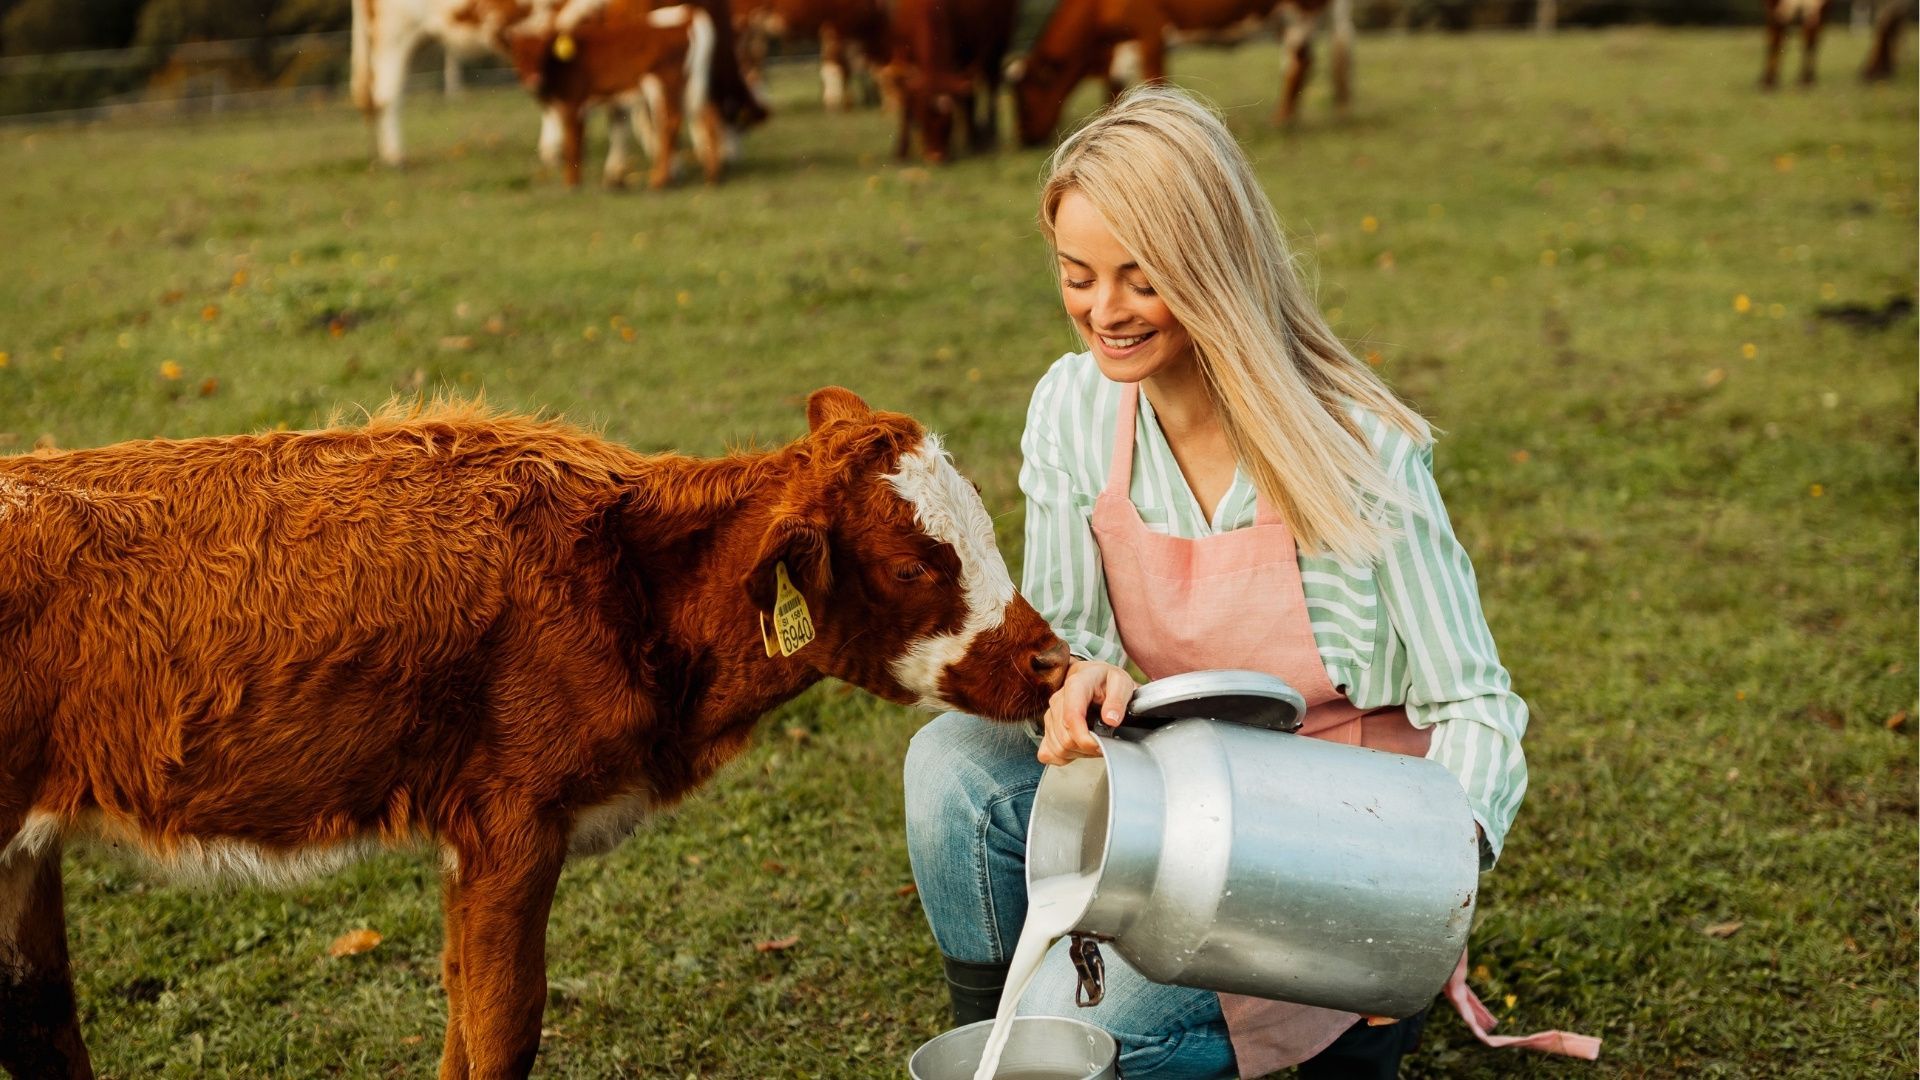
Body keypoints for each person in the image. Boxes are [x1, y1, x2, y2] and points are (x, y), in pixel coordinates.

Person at [902, 85, 1539, 1080]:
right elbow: (1072, 639)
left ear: (1211, 269)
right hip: (1177, 791)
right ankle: (1001, 1039)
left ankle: (1325, 1027)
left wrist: (1414, 894)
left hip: (1331, 848)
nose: (1103, 312)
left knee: (1093, 1034)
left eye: (1140, 278)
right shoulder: (1073, 409)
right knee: (955, 767)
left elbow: (1477, 703)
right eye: (1077, 275)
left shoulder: (1357, 446)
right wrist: (1079, 679)